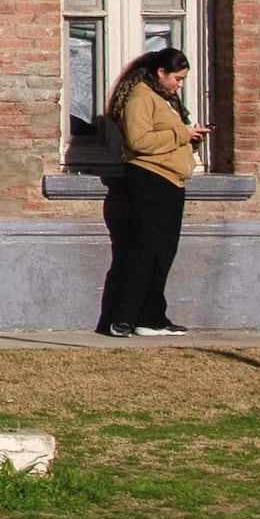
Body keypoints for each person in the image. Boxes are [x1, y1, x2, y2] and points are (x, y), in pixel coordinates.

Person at [97, 46, 198, 337]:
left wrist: (191, 138)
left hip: (172, 181)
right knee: (143, 251)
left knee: (162, 252)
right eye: (176, 78)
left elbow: (164, 138)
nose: (179, 84)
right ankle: (122, 317)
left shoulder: (165, 99)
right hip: (150, 180)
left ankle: (152, 317)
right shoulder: (141, 96)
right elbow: (139, 140)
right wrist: (182, 134)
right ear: (160, 72)